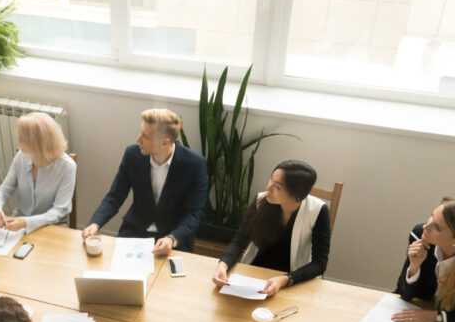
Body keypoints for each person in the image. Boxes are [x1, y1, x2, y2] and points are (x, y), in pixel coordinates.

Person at [81, 109, 207, 255]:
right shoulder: (132, 155)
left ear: (164, 142)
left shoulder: (194, 164)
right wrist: (95, 224)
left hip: (172, 237)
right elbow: (114, 197)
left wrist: (172, 238)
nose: (138, 139)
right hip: (134, 232)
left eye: (145, 136)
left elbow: (194, 214)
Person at [213, 160, 331, 297]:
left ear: (297, 195)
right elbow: (239, 241)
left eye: (278, 187)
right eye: (271, 180)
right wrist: (223, 265)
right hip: (253, 275)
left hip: (293, 280)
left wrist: (284, 279)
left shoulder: (317, 210)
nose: (268, 188)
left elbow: (319, 264)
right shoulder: (260, 201)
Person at [0, 112, 76, 233]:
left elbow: (59, 210)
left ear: (36, 144)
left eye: (22, 138)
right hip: (19, 221)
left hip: (51, 226)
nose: (19, 142)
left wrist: (26, 222)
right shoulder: (22, 156)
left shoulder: (67, 167)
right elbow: (4, 189)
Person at [393, 198, 455, 322]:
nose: (426, 226)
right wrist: (414, 267)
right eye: (432, 216)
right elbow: (404, 293)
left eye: (437, 227)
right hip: (420, 312)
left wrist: (436, 316)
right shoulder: (419, 234)